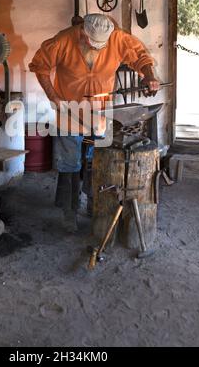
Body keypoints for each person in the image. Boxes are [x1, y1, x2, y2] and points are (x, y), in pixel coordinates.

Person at [29, 13, 159, 232]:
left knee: (96, 164)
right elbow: (39, 65)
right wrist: (53, 97)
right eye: (94, 43)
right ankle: (69, 213)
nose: (99, 48)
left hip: (100, 114)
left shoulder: (117, 38)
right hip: (69, 113)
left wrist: (149, 75)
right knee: (70, 165)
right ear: (83, 32)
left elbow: (141, 57)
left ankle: (94, 206)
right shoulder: (63, 40)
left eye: (103, 44)